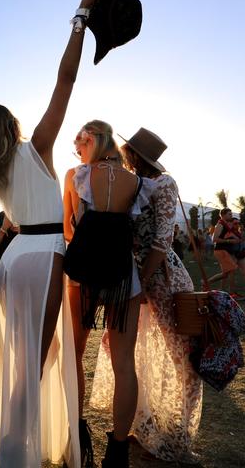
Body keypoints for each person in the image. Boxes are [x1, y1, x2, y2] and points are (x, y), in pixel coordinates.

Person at [0, 0, 106, 465]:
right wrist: (80, 17)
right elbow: (65, 81)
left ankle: (29, 443)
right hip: (44, 257)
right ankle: (18, 452)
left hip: (12, 260)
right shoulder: (36, 146)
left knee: (21, 357)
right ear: (13, 125)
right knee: (36, 362)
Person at [90, 129, 203, 463]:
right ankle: (141, 426)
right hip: (131, 280)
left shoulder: (164, 183)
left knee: (183, 358)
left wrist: (141, 279)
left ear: (133, 155)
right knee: (133, 355)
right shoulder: (129, 183)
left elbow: (162, 238)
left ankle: (178, 434)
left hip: (161, 279)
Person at [64, 120, 143, 466]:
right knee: (124, 364)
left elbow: (68, 227)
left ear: (91, 141)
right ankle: (118, 450)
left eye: (79, 144)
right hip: (124, 275)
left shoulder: (76, 176)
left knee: (76, 355)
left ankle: (78, 437)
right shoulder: (136, 181)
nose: (78, 151)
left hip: (84, 273)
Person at [207, 208, 241, 297]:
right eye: (229, 214)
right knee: (232, 270)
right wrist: (230, 241)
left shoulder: (225, 224)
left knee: (226, 274)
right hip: (220, 250)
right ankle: (232, 293)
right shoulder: (220, 224)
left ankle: (206, 283)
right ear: (223, 215)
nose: (231, 215)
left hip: (224, 250)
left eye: (231, 213)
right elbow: (214, 239)